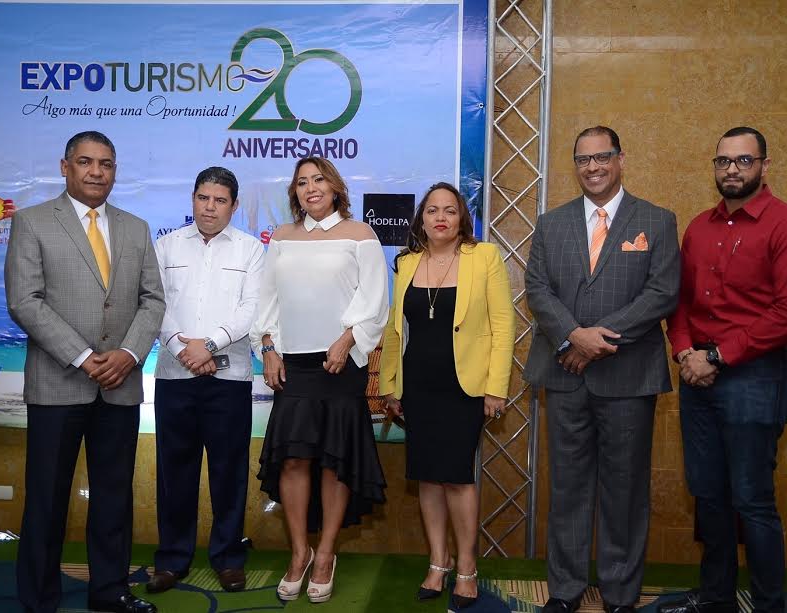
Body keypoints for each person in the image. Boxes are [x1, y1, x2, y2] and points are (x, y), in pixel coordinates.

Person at [662, 127, 787, 613]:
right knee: (708, 495)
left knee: (752, 500)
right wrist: (687, 351)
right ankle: (716, 600)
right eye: (723, 161)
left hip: (756, 376)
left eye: (743, 161)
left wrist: (718, 355)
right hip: (697, 376)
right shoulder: (698, 228)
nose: (732, 169)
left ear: (764, 166)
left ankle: (769, 604)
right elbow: (681, 302)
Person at [4, 131, 164, 613]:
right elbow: (24, 301)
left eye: (107, 164)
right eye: (86, 162)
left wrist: (130, 354)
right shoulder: (32, 223)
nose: (97, 172)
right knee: (48, 502)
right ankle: (39, 600)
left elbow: (153, 300)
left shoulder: (135, 227)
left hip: (121, 385)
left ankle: (110, 591)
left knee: (114, 498)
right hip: (58, 384)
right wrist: (82, 356)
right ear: (65, 166)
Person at [524, 126, 680, 613]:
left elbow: (662, 293)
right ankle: (566, 590)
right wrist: (574, 334)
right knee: (567, 487)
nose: (592, 167)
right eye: (583, 159)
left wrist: (593, 341)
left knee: (625, 489)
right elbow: (537, 288)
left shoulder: (656, 221)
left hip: (628, 379)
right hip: (565, 377)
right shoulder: (552, 224)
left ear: (620, 159)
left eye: (602, 157)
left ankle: (619, 593)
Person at [250, 156, 388, 604]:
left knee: (334, 461)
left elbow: (374, 302)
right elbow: (266, 300)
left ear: (335, 187)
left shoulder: (361, 234)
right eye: (302, 182)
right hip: (294, 367)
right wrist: (268, 349)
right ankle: (299, 552)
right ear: (295, 192)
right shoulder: (283, 239)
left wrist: (348, 340)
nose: (311, 188)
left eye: (319, 179)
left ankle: (326, 553)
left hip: (340, 365)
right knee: (293, 460)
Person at [379, 183, 515, 610]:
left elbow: (503, 326)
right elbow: (393, 329)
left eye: (450, 211)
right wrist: (389, 385)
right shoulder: (406, 263)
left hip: (464, 388)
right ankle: (437, 563)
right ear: (421, 218)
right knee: (427, 477)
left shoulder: (484, 257)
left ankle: (467, 568)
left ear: (462, 219)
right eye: (432, 210)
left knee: (456, 477)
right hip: (417, 387)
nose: (441, 217)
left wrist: (496, 387)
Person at [146, 167, 265, 594]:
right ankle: (172, 559)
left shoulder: (251, 251)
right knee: (173, 472)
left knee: (228, 472)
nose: (209, 207)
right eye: (202, 198)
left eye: (219, 200)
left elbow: (252, 307)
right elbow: (153, 302)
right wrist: (182, 348)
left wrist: (208, 345)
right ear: (192, 199)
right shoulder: (166, 246)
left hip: (228, 377)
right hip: (175, 375)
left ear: (233, 205)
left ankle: (229, 558)